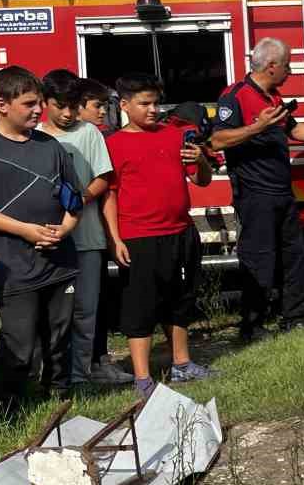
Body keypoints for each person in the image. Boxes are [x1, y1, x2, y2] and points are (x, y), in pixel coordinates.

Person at [211, 37, 304, 341]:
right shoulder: (234, 96)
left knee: (295, 257)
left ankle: (293, 318)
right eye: (288, 65)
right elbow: (217, 140)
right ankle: (252, 326)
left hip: (282, 194)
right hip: (254, 196)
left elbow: (295, 130)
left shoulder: (273, 98)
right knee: (259, 260)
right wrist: (256, 127)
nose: (290, 71)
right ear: (272, 66)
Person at [0, 66, 83, 409]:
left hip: (60, 265)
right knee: (19, 340)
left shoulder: (52, 147)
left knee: (59, 337)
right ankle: (4, 406)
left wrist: (66, 228)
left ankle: (58, 399)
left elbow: (75, 200)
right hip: (14, 268)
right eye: (29, 103)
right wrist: (25, 230)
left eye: (39, 102)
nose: (38, 110)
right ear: (2, 104)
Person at [103, 78, 216, 397]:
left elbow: (202, 181)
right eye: (144, 103)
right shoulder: (114, 144)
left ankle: (182, 363)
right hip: (139, 236)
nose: (153, 110)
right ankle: (143, 378)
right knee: (140, 307)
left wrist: (201, 160)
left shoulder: (175, 135)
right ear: (124, 105)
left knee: (180, 301)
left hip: (180, 232)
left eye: (155, 103)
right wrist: (115, 238)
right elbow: (109, 196)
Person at [39, 71, 132, 387]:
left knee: (85, 312)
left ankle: (81, 377)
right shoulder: (35, 135)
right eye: (59, 106)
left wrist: (79, 198)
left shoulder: (89, 133)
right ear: (44, 102)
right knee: (53, 314)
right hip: (48, 240)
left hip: (87, 240)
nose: (66, 114)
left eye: (72, 106)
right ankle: (53, 377)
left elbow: (104, 178)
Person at [72, 78, 124, 374]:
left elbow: (108, 188)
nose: (103, 112)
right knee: (78, 307)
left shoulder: (97, 137)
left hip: (93, 235)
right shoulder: (60, 137)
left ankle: (97, 359)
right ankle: (84, 364)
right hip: (70, 236)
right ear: (77, 107)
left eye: (105, 106)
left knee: (96, 301)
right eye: (97, 106)